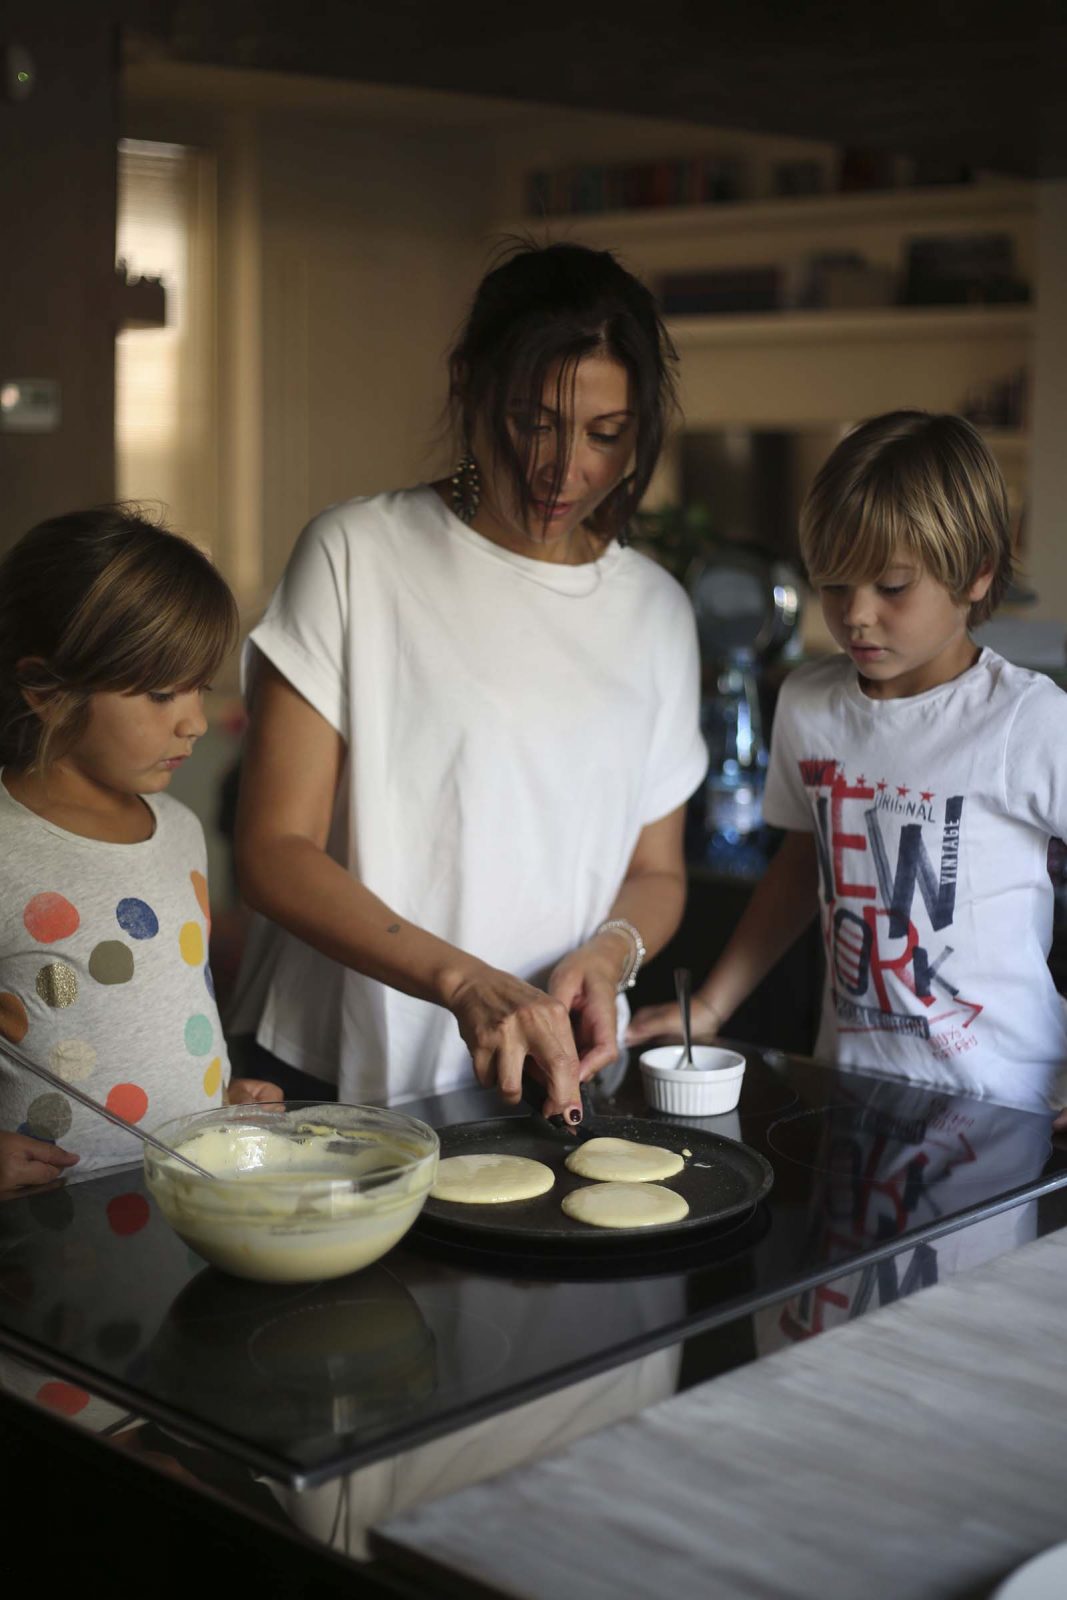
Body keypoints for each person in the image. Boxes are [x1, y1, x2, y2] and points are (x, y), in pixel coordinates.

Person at [228, 240, 708, 1122]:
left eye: (605, 435)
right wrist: (464, 983)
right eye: (534, 420)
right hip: (335, 1067)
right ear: (467, 386)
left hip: (555, 1075)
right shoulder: (356, 554)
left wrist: (610, 952)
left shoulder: (656, 611)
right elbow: (272, 853)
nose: (566, 470)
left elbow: (656, 870)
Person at [629, 410, 1067, 1118]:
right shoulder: (807, 702)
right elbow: (805, 863)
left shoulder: (1028, 721)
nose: (856, 614)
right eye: (832, 586)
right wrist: (709, 1005)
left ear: (976, 575)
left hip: (1003, 1105)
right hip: (854, 1091)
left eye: (891, 587)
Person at [0, 506, 280, 1190]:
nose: (194, 721)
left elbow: (170, 1007)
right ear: (46, 688)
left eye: (198, 687)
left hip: (182, 1201)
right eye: (160, 693)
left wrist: (216, 1093)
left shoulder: (180, 829)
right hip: (47, 1235)